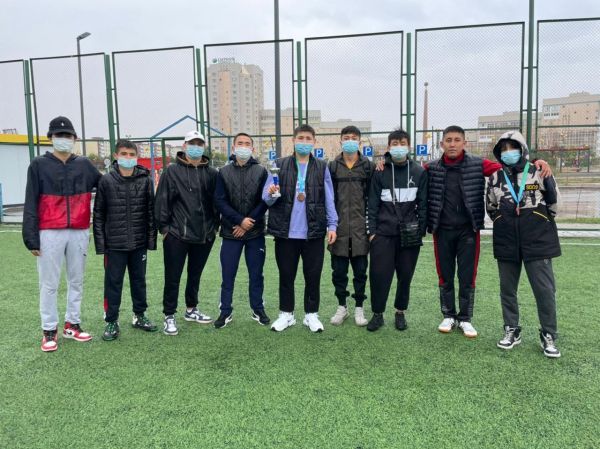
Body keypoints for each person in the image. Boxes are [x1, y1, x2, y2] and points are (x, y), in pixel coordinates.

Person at [427, 125, 551, 338]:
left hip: (469, 231)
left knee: (467, 276)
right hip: (442, 231)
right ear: (441, 144)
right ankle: (448, 315)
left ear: (465, 143)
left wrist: (537, 162)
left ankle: (465, 318)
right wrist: (384, 162)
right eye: (448, 140)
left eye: (457, 140)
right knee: (444, 275)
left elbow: (509, 166)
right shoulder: (431, 168)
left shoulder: (479, 164)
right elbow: (409, 169)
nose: (452, 144)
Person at [23, 116, 101, 352]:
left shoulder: (84, 164)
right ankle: (49, 329)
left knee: (76, 280)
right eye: (59, 135)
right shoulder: (38, 165)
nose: (63, 139)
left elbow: (107, 185)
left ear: (75, 138)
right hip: (49, 231)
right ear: (51, 138)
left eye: (67, 135)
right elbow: (30, 201)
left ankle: (72, 324)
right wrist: (31, 238)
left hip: (79, 230)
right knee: (49, 283)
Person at [486, 131, 561, 358]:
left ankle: (548, 334)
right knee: (507, 289)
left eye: (513, 147)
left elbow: (554, 203)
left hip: (537, 240)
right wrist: (503, 220)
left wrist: (537, 220)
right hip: (506, 240)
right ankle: (512, 329)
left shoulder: (539, 170)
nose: (508, 152)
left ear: (522, 149)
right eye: (504, 149)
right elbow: (491, 207)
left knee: (544, 290)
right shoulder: (495, 177)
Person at [263, 124, 338, 333]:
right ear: (293, 141)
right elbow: (267, 199)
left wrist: (332, 225)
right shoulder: (278, 165)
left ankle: (311, 315)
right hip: (286, 232)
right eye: (300, 138)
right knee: (286, 275)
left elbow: (329, 199)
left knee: (312, 276)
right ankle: (286, 314)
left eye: (308, 139)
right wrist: (271, 192)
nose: (304, 142)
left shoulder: (322, 167)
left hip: (313, 232)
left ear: (314, 142)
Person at [154, 130, 219, 335]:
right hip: (177, 235)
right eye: (192, 143)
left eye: (199, 144)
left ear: (204, 147)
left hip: (204, 234)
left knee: (195, 274)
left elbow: (216, 202)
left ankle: (191, 309)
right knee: (173, 276)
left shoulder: (212, 173)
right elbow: (162, 201)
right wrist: (165, 229)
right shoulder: (172, 171)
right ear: (184, 146)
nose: (196, 147)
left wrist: (214, 227)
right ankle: (169, 315)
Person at [93, 139, 158, 341]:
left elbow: (151, 212)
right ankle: (112, 321)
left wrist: (150, 241)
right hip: (115, 245)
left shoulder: (145, 180)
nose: (128, 158)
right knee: (113, 283)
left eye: (131, 155)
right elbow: (99, 215)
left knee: (139, 281)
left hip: (139, 243)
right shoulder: (106, 181)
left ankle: (139, 316)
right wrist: (101, 245)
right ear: (116, 156)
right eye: (124, 154)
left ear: (136, 157)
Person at [366, 129, 428, 331]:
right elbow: (372, 204)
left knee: (405, 275)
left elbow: (423, 204)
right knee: (379, 275)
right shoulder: (379, 171)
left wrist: (420, 231)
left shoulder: (419, 172)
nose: (398, 147)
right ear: (388, 147)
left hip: (409, 235)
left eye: (402, 143)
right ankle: (377, 314)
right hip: (383, 234)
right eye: (394, 143)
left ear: (409, 146)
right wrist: (372, 232)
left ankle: (400, 312)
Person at [213, 133, 270, 328]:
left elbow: (265, 200)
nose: (243, 146)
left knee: (256, 274)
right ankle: (225, 311)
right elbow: (220, 201)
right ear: (233, 147)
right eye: (240, 143)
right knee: (228, 275)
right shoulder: (223, 172)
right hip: (231, 233)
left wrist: (248, 222)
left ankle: (258, 309)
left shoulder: (262, 171)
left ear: (252, 149)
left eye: (247, 144)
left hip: (255, 233)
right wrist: (239, 221)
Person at [328, 126, 373, 327]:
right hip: (338, 230)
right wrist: (330, 226)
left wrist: (370, 228)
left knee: (360, 273)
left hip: (360, 231)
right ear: (340, 141)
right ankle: (342, 307)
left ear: (360, 142)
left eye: (354, 138)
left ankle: (359, 308)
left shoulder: (368, 166)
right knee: (338, 273)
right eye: (346, 138)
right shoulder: (332, 166)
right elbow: (328, 199)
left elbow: (373, 198)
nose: (350, 141)